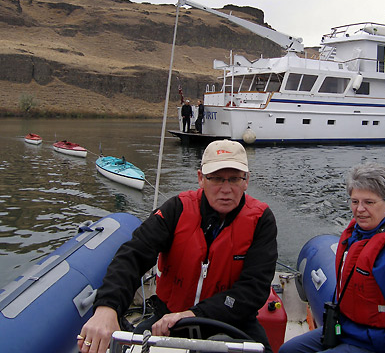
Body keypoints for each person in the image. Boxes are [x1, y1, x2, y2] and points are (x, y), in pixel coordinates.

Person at [77, 140, 278, 353]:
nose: (226, 189)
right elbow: (133, 255)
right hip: (167, 321)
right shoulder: (176, 209)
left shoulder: (261, 220)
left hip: (233, 321)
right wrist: (107, 308)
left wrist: (195, 314)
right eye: (217, 178)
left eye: (234, 179)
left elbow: (254, 288)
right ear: (201, 178)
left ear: (246, 181)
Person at [280, 163, 385, 353]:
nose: (359, 209)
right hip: (346, 329)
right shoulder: (358, 233)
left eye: (368, 202)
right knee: (288, 350)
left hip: (376, 343)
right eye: (355, 202)